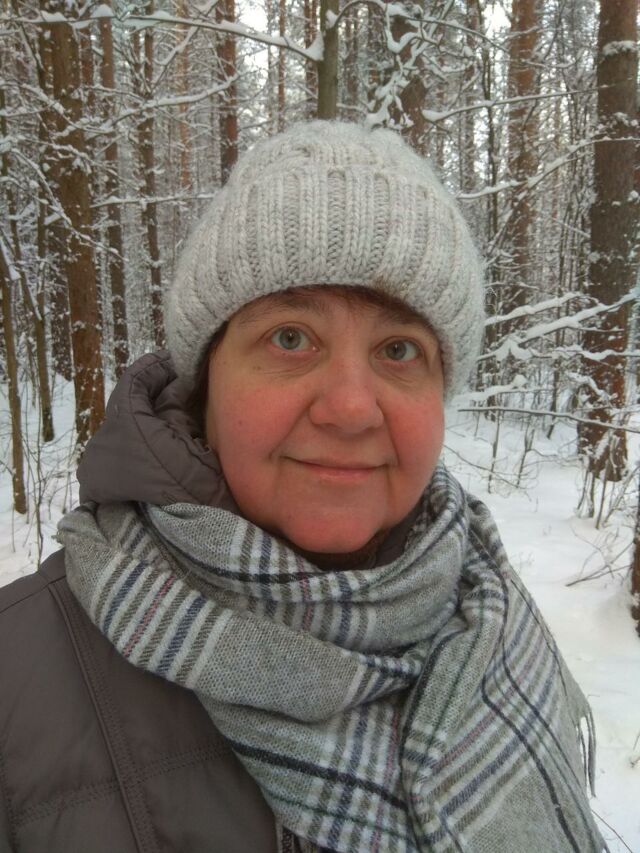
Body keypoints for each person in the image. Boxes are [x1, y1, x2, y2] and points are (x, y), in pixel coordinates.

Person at [0, 122, 605, 853]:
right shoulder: (16, 680)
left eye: (399, 349)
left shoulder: (490, 617)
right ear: (207, 382)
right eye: (290, 337)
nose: (350, 408)